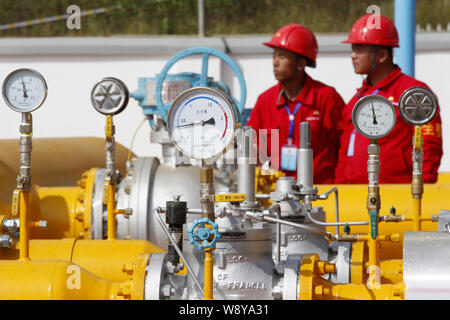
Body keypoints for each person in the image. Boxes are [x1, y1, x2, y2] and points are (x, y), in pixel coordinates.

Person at [334, 14, 443, 183]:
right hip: (353, 197)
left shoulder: (414, 93)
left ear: (382, 55)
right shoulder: (356, 100)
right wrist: (340, 187)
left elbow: (428, 147)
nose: (353, 55)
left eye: (360, 49)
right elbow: (344, 153)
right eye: (353, 48)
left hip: (398, 198)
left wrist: (422, 192)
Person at [246, 23, 345, 184]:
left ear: (300, 64)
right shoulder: (265, 101)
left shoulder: (326, 97)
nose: (275, 62)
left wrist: (341, 186)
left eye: (282, 56)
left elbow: (344, 147)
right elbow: (254, 149)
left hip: (319, 194)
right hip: (278, 196)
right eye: (274, 56)